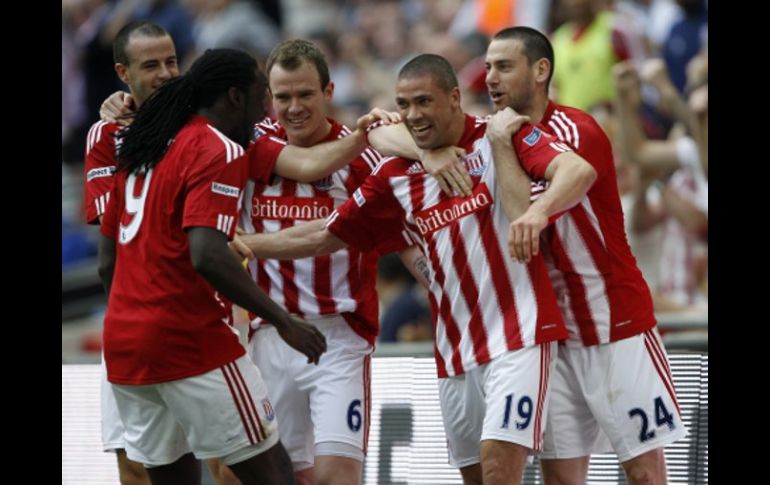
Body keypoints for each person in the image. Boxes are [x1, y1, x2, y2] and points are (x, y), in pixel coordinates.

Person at [236, 53, 598, 485]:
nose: (413, 115)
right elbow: (329, 233)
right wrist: (242, 248)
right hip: (453, 348)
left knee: (502, 468)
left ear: (454, 98)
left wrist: (536, 216)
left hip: (517, 334)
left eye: (424, 102)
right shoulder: (392, 172)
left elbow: (577, 169)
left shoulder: (499, 135)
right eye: (403, 105)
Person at [97, 47, 328, 485]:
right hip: (188, 340)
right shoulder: (216, 147)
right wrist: (282, 320)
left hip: (125, 346)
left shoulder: (144, 144)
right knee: (273, 471)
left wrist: (139, 318)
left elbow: (107, 263)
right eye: (263, 101)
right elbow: (206, 252)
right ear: (236, 97)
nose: (266, 118)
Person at [484, 26, 687, 484]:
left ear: (541, 71)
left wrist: (534, 212)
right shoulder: (499, 136)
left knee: (644, 473)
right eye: (488, 66)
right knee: (560, 478)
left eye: (504, 66)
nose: (490, 77)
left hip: (615, 321)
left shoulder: (576, 128)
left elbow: (524, 215)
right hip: (554, 334)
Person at [236, 39, 426, 485]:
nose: (294, 107)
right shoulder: (250, 147)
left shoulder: (361, 153)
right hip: (270, 333)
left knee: (335, 476)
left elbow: (404, 238)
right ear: (269, 98)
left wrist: (442, 286)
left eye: (305, 94)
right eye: (283, 97)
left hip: (337, 337)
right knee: (275, 477)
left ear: (329, 92)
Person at [83, 20, 178, 485]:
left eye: (172, 62)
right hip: (129, 317)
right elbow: (114, 229)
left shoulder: (200, 125)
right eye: (151, 65)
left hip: (196, 315)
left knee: (227, 461)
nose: (165, 73)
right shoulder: (104, 137)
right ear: (123, 72)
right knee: (134, 463)